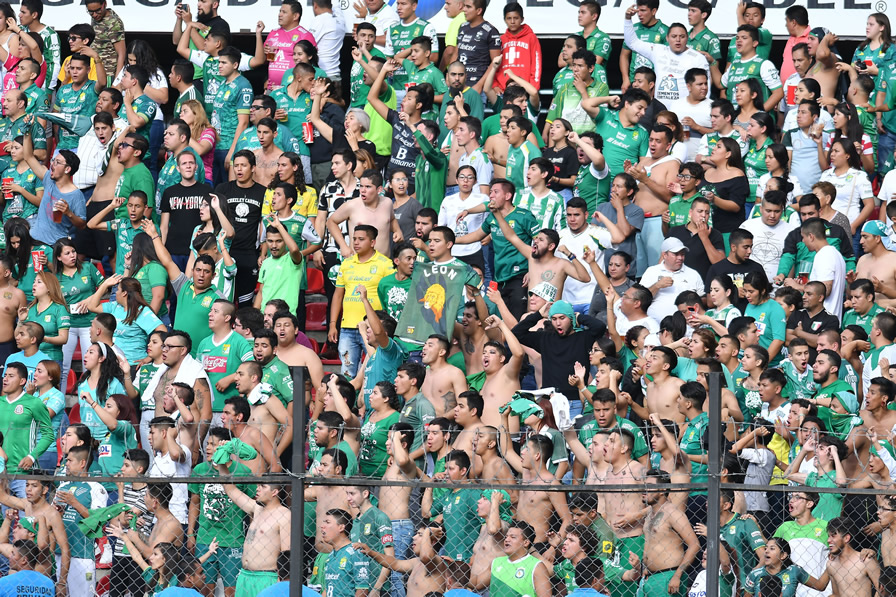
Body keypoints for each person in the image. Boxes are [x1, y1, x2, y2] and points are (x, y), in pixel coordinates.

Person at [21, 134, 86, 246]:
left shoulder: (76, 195)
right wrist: (27, 133)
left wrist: (68, 213)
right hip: (34, 239)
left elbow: (82, 224)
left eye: (57, 162)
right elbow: (28, 157)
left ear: (67, 169)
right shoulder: (49, 179)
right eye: (53, 160)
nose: (52, 165)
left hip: (55, 245)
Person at [640, 237, 704, 321]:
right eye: (676, 254)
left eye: (682, 254)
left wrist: (692, 299)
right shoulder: (652, 271)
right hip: (657, 323)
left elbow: (703, 299)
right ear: (664, 255)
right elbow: (640, 299)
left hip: (688, 324)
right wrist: (657, 286)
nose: (680, 258)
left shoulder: (693, 274)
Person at [666, 195, 724, 279]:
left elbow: (720, 263)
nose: (703, 215)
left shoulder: (715, 234)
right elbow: (663, 258)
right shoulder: (674, 231)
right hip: (677, 281)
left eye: (707, 212)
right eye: (700, 211)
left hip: (703, 283)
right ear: (690, 212)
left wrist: (704, 238)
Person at [488, 522, 551, 597]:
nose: (507, 540)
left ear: (526, 542)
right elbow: (475, 584)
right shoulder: (496, 562)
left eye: (513, 537)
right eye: (506, 536)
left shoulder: (536, 566)